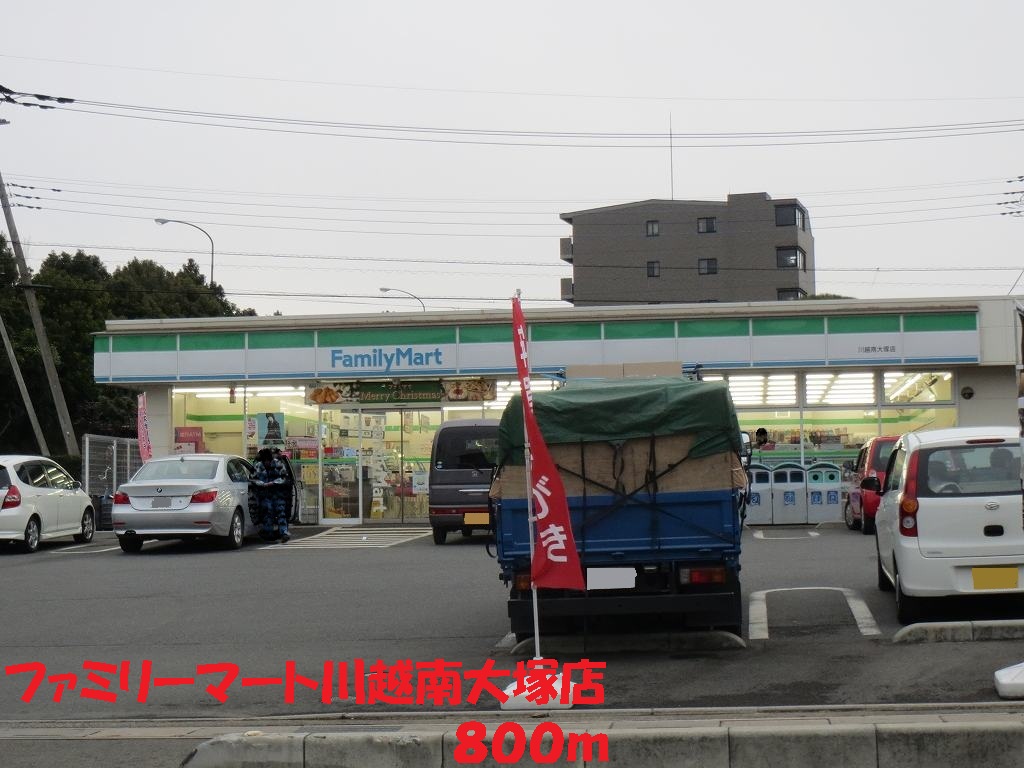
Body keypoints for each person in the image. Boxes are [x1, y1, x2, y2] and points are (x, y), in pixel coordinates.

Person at [252, 447, 291, 542]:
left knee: (281, 511)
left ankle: (284, 533)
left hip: (278, 493)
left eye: (268, 461)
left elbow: (284, 477)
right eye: (264, 461)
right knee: (267, 511)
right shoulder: (258, 466)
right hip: (265, 494)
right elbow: (253, 479)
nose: (266, 463)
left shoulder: (278, 464)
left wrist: (274, 482)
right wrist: (262, 484)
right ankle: (268, 532)